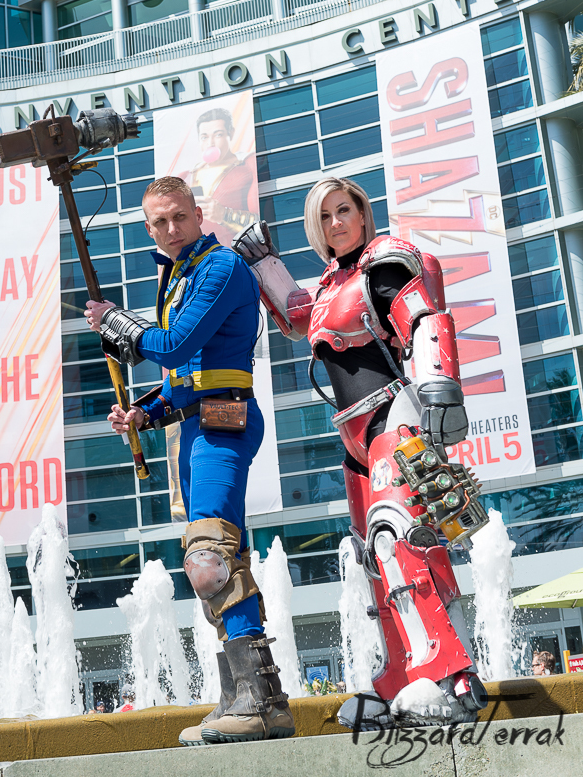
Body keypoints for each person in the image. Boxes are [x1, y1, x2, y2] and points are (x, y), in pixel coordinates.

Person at [232, 176, 489, 730]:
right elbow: (297, 317)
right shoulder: (331, 284)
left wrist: (441, 386)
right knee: (373, 556)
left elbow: (424, 316)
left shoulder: (384, 263)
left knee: (400, 538)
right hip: (354, 436)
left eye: (343, 210)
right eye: (324, 217)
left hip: (394, 415)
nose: (336, 223)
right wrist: (263, 263)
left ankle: (448, 675)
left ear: (362, 212)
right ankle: (400, 676)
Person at [84, 176, 294, 745]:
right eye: (160, 222)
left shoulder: (220, 266)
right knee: (222, 560)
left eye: (179, 216)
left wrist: (116, 323)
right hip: (202, 424)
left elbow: (176, 344)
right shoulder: (179, 275)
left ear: (199, 215)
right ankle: (244, 698)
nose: (171, 228)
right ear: (148, 228)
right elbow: (186, 377)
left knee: (210, 557)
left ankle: (258, 702)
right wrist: (145, 413)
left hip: (226, 423)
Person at [181, 108, 258, 246]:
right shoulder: (186, 177)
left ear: (231, 133)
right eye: (204, 137)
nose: (210, 143)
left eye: (218, 135)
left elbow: (260, 222)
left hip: (238, 254)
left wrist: (224, 215)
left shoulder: (247, 166)